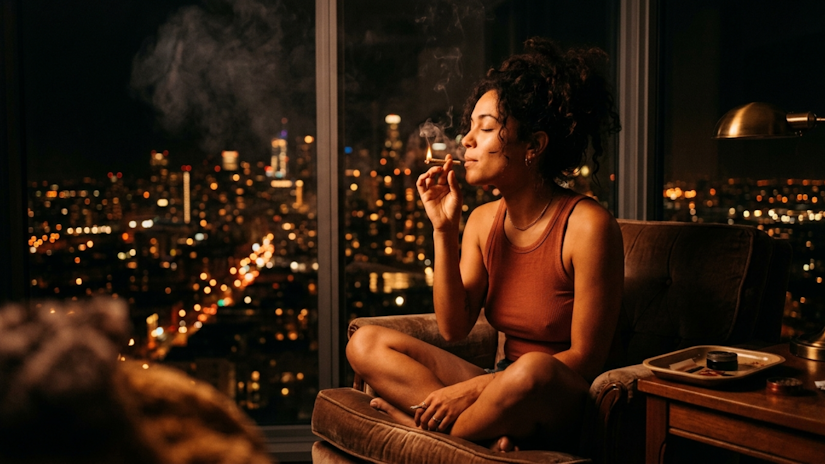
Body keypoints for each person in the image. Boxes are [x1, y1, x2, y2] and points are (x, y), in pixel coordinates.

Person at [346, 37, 623, 452]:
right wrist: (443, 228)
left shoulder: (588, 226)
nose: (467, 140)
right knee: (365, 342)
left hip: (552, 395)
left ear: (534, 146)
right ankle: (484, 434)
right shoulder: (481, 221)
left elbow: (586, 359)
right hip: (497, 384)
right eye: (471, 126)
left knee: (533, 370)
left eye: (487, 127)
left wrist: (473, 390)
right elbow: (453, 328)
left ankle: (420, 427)